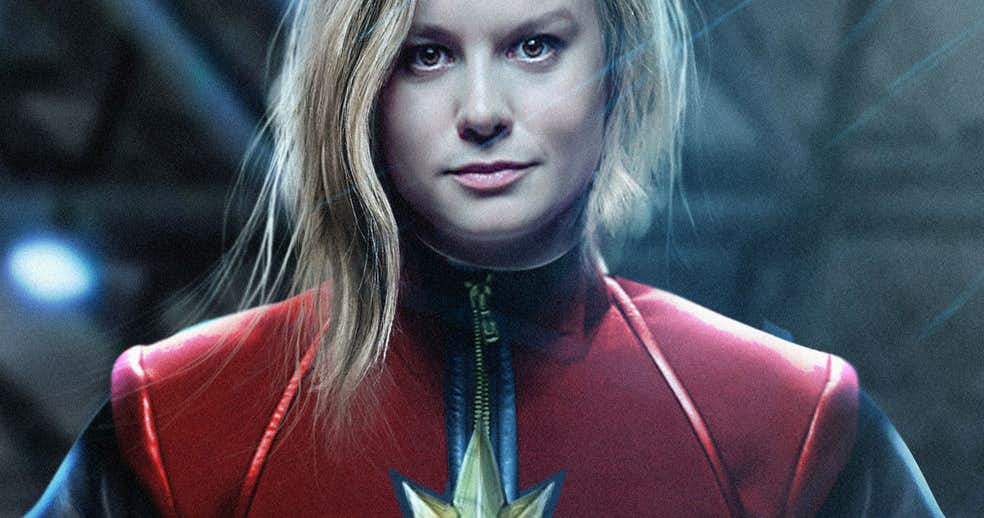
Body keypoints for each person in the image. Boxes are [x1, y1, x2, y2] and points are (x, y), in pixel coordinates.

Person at [29, 0, 943, 516]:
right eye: (426, 55)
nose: (481, 111)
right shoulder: (183, 421)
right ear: (359, 90)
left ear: (620, 67)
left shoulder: (785, 423)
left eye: (534, 47)